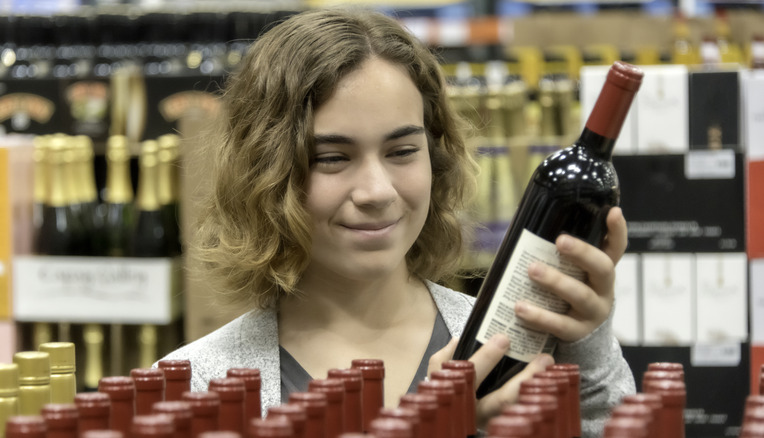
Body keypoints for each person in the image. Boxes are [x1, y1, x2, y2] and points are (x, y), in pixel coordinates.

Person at [158, 8, 635, 437]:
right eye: (331, 158)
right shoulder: (192, 384)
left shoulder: (509, 344)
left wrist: (586, 348)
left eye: (403, 151)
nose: (378, 192)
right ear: (265, 174)